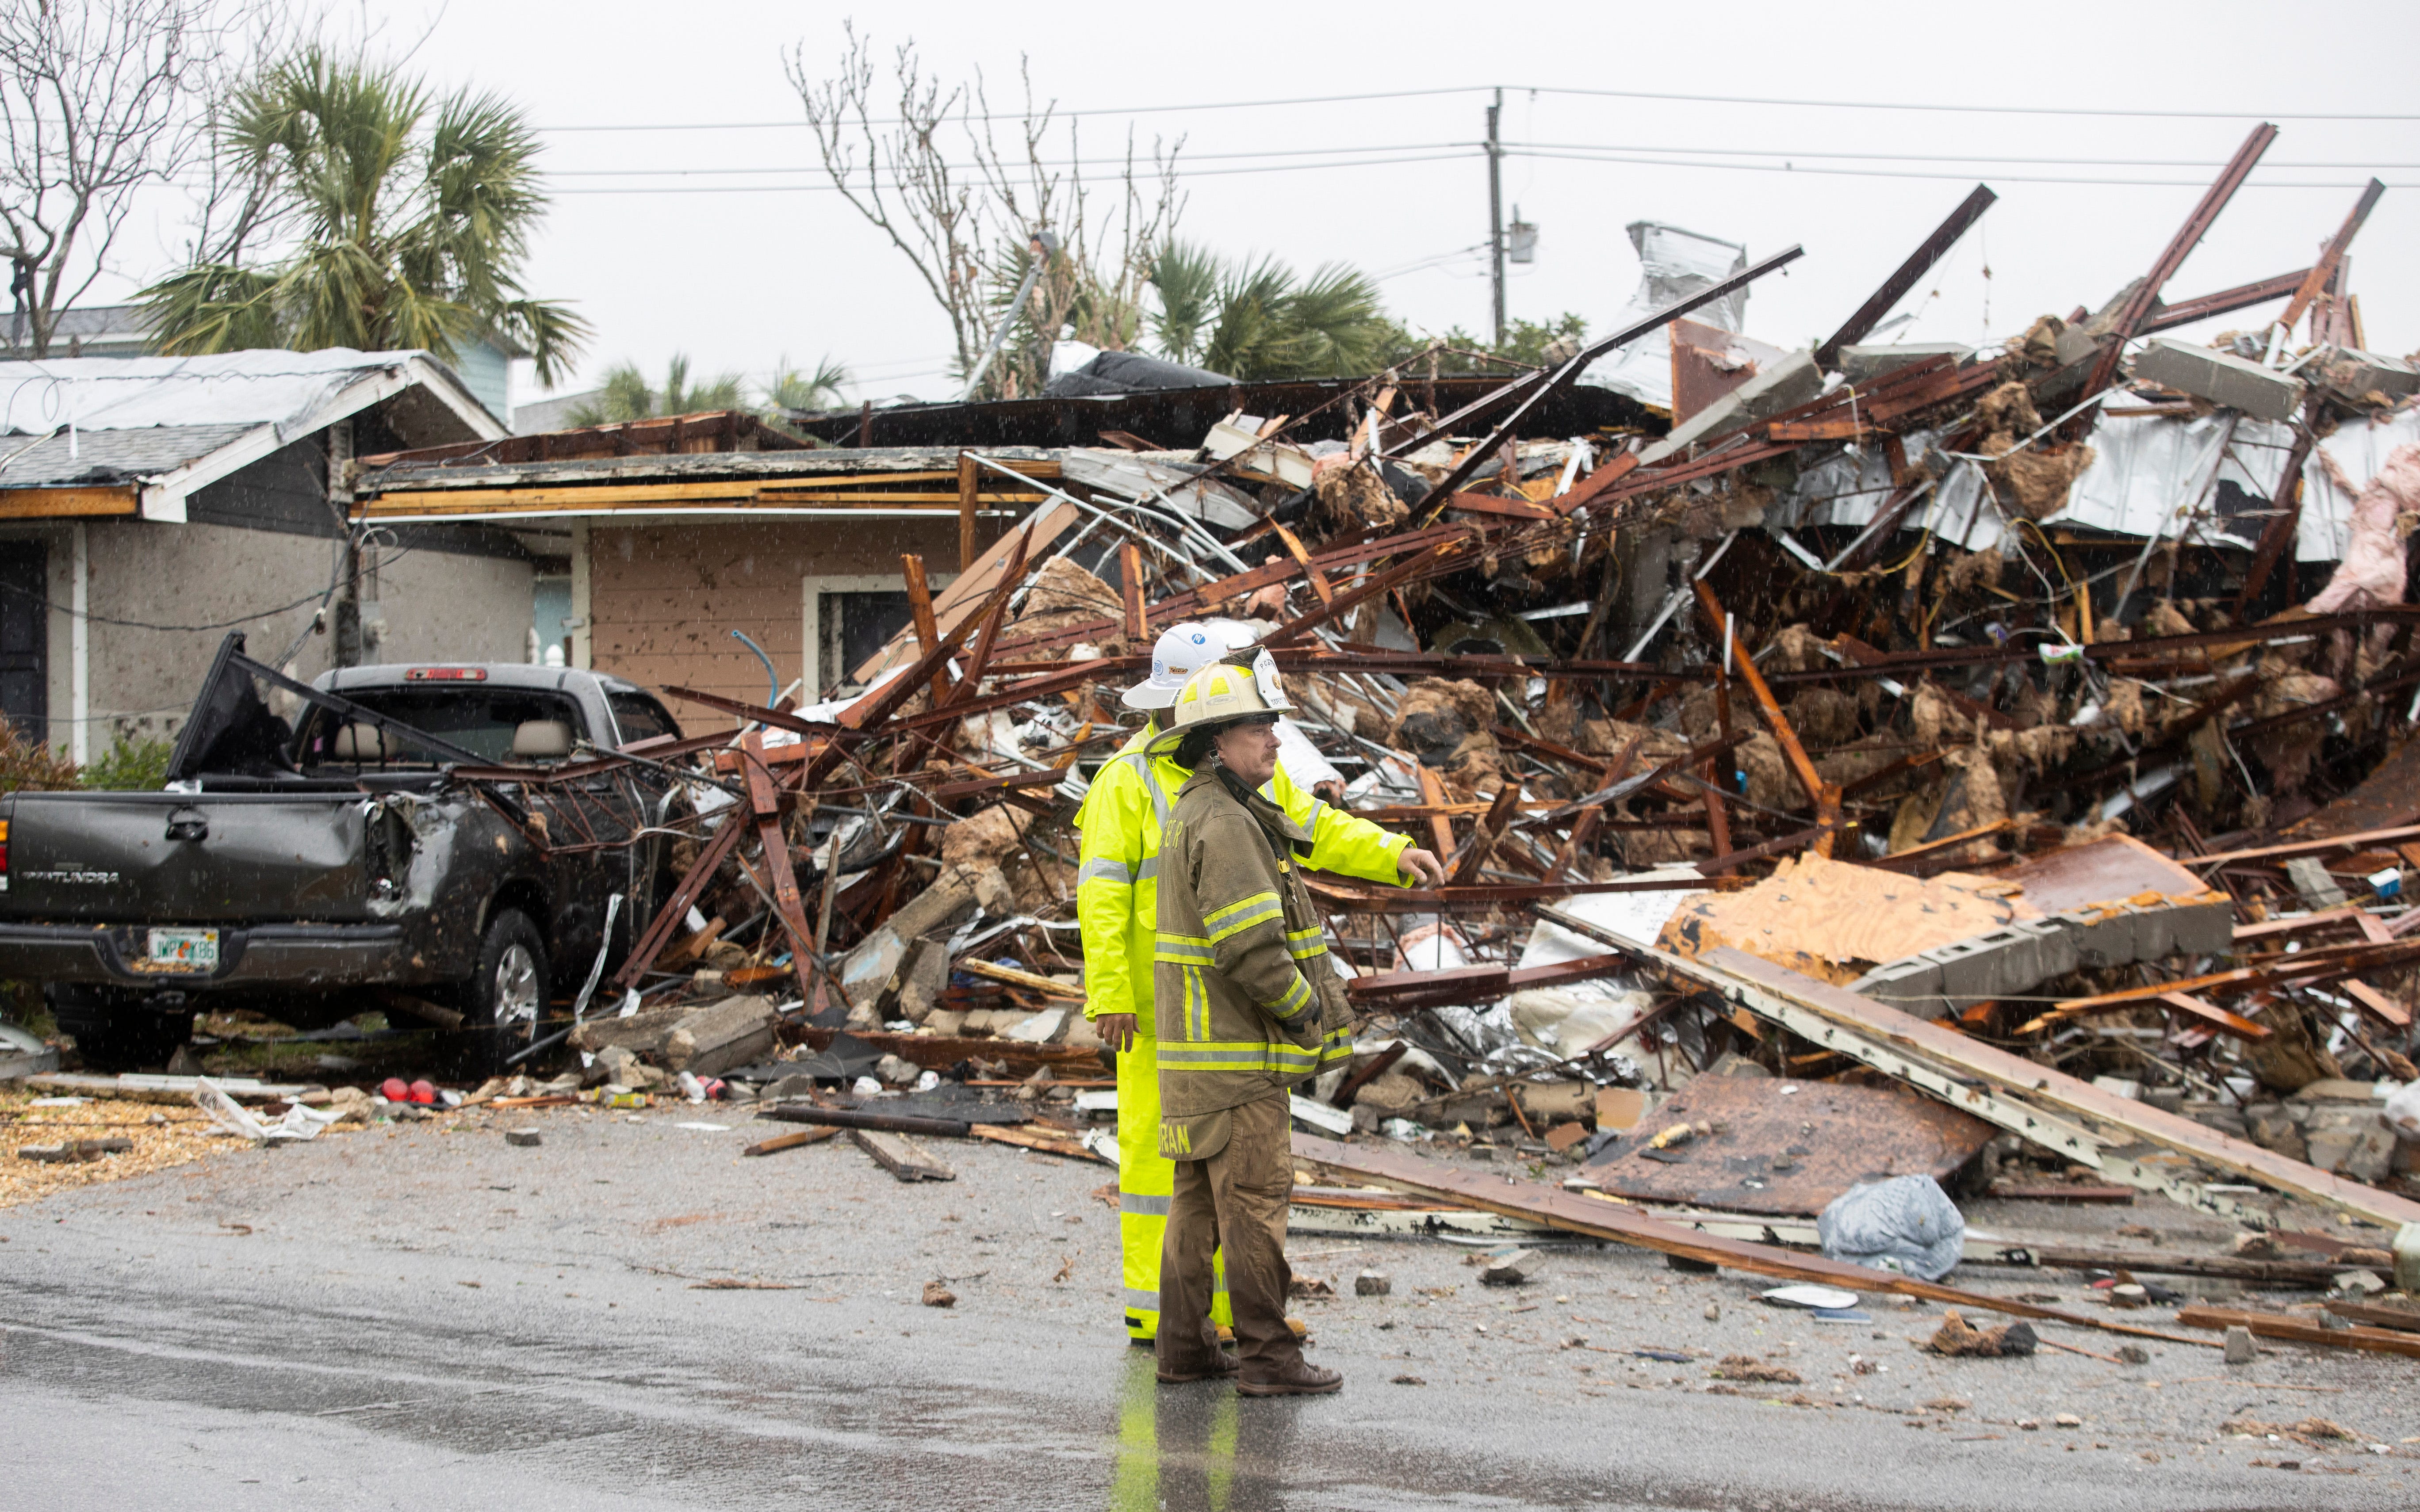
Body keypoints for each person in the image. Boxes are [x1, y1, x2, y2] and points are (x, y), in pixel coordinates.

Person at [1073, 622, 1441, 1349]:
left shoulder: (1233, 780)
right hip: (1155, 1009)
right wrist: (1110, 992)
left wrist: (1393, 853)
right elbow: (1102, 894)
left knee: (1224, 1168)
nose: (1265, 734)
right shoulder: (1129, 780)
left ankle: (1217, 1315)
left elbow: (1316, 827)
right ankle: (1164, 1315)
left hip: (1223, 1003)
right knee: (1163, 1161)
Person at [1148, 649, 1367, 1394]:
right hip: (1239, 1061)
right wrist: (1307, 1011)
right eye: (1258, 728)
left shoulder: (1196, 811)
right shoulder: (1228, 822)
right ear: (1216, 743)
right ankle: (1270, 1360)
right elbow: (1250, 949)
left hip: (1194, 1064)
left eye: (1272, 726)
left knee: (1195, 1210)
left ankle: (1184, 1350)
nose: (1275, 740)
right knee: (1253, 1211)